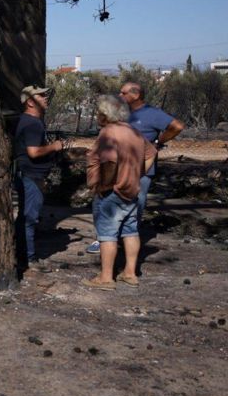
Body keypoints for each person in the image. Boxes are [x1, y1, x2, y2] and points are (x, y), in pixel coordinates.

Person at [85, 82, 184, 253]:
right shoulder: (121, 112)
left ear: (136, 95)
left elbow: (177, 126)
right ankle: (103, 239)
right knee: (102, 206)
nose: (120, 95)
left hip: (139, 172)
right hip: (112, 168)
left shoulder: (152, 114)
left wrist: (159, 142)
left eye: (123, 93)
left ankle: (123, 243)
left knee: (134, 208)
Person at [81, 95, 156, 291]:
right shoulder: (133, 131)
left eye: (98, 111)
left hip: (112, 193)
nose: (96, 115)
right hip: (132, 190)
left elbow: (110, 163)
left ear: (105, 114)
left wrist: (105, 186)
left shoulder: (108, 133)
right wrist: (136, 174)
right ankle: (130, 273)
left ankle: (106, 278)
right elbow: (152, 153)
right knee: (130, 231)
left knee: (107, 235)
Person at [13, 85, 66, 272]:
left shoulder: (30, 122)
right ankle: (28, 259)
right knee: (29, 218)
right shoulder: (33, 124)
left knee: (25, 217)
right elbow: (33, 152)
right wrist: (55, 147)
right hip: (30, 176)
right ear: (30, 101)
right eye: (41, 96)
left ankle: (22, 254)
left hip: (28, 175)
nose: (46, 98)